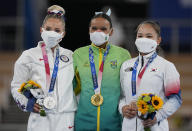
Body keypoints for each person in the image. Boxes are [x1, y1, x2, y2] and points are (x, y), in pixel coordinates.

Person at [11, 5, 77, 131]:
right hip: (40, 116)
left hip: (66, 118)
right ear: (42, 30)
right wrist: (27, 103)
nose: (52, 33)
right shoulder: (28, 56)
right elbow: (16, 86)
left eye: (57, 30)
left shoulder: (71, 56)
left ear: (63, 34)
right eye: (48, 28)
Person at [73, 9, 131, 131]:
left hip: (114, 124)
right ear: (89, 30)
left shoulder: (123, 54)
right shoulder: (78, 54)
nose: (98, 32)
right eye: (94, 28)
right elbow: (71, 88)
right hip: (83, 123)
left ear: (111, 31)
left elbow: (128, 89)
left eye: (103, 29)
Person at [119, 20, 182, 131]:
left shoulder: (166, 66)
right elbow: (121, 96)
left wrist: (158, 116)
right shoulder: (126, 65)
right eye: (140, 36)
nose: (144, 39)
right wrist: (122, 108)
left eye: (149, 36)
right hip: (128, 126)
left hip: (154, 126)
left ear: (158, 40)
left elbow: (175, 99)